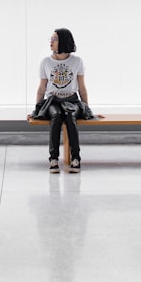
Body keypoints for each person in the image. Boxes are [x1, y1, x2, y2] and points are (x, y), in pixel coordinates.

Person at [31, 28, 95, 173]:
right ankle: (53, 159)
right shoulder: (46, 62)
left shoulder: (77, 61)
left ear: (64, 41)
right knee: (56, 116)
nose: (51, 42)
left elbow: (82, 88)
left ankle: (76, 158)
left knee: (70, 115)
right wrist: (36, 109)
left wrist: (87, 109)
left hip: (72, 101)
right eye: (51, 39)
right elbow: (42, 88)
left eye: (55, 39)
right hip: (53, 102)